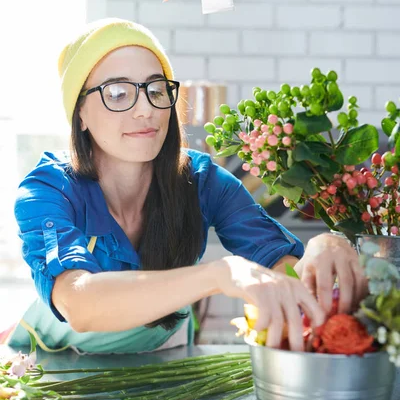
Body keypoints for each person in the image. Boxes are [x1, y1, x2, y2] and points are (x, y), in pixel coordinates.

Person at [3, 18, 365, 355]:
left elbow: (280, 268)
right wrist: (218, 275)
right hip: (50, 373)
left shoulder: (203, 181)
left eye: (156, 90)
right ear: (79, 113)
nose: (146, 110)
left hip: (163, 368)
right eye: (117, 93)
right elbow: (78, 303)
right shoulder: (48, 190)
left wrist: (323, 250)